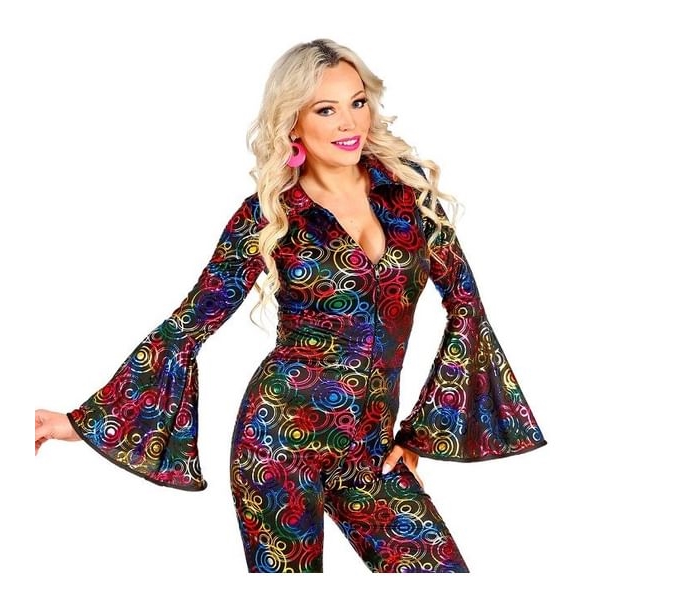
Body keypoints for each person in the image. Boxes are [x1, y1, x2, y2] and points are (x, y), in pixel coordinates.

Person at [34, 38, 547, 573]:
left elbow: (467, 310)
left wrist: (423, 432)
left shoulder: (409, 198)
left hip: (372, 453)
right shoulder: (270, 213)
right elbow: (192, 322)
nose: (349, 122)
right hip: (277, 445)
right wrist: (82, 422)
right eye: (326, 110)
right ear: (293, 122)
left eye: (357, 102)